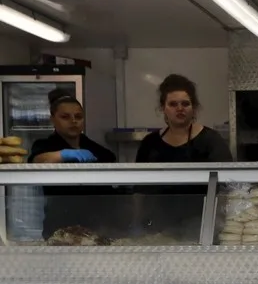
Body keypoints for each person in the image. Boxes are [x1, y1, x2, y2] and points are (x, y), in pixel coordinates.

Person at [134, 74, 232, 233]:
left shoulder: (211, 140)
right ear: (163, 108)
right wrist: (137, 222)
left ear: (194, 108)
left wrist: (220, 224)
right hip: (157, 229)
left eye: (185, 104)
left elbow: (227, 188)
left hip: (201, 227)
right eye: (173, 104)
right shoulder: (149, 144)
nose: (179, 108)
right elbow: (139, 191)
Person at [28, 89, 119, 238]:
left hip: (97, 228)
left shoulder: (96, 150)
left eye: (78, 116)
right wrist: (63, 154)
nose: (73, 121)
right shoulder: (44, 145)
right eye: (65, 117)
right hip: (59, 228)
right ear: (53, 119)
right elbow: (37, 161)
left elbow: (110, 162)